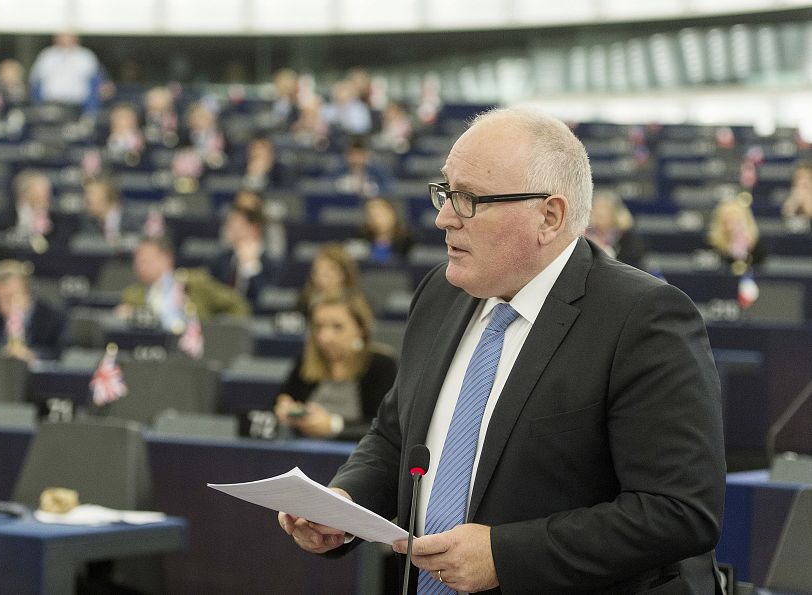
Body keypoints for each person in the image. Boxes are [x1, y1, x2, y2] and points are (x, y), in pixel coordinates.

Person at [278, 107, 726, 594]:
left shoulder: (642, 318)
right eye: (446, 192)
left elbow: (678, 512)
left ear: (549, 217)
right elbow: (396, 438)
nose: (444, 217)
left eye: (469, 199)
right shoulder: (439, 294)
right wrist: (342, 505)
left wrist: (504, 556)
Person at [273, 292, 397, 441]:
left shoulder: (381, 365)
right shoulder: (306, 362)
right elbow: (277, 405)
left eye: (337, 327)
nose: (325, 337)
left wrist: (334, 425)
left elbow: (386, 428)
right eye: (318, 327)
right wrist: (285, 408)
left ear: (360, 329)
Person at [117, 237, 249, 333]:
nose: (140, 266)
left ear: (166, 258)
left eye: (146, 260)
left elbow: (238, 305)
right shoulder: (132, 295)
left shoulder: (196, 282)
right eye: (137, 261)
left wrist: (222, 332)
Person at [0, 260, 67, 361]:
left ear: (27, 293)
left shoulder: (51, 316)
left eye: (10, 297)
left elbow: (59, 354)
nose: (3, 304)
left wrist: (32, 355)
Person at [209, 202, 280, 306]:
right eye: (229, 225)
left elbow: (263, 298)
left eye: (237, 225)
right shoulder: (221, 259)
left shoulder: (271, 264)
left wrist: (250, 267)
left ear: (254, 229)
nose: (231, 229)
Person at [28, 31, 103, 112]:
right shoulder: (47, 56)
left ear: (76, 39)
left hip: (77, 105)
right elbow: (35, 80)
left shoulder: (85, 56)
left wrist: (91, 109)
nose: (66, 40)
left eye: (69, 37)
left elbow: (96, 83)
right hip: (51, 104)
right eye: (62, 37)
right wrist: (37, 104)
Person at [295, 243, 363, 318]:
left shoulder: (354, 302)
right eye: (317, 270)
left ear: (344, 273)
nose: (321, 275)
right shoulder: (305, 301)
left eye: (330, 270)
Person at [585, 189, 646, 270]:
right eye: (596, 207)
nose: (598, 212)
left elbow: (634, 267)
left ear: (615, 212)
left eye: (604, 208)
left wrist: (607, 252)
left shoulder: (628, 237)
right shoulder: (586, 234)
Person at [706, 195, 766, 275]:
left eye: (737, 220)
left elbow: (761, 268)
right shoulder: (712, 246)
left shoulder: (756, 246)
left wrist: (747, 250)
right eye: (728, 221)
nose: (733, 226)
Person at [358, 196, 414, 263]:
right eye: (371, 215)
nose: (376, 219)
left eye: (380, 214)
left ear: (393, 213)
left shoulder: (408, 243)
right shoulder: (360, 240)